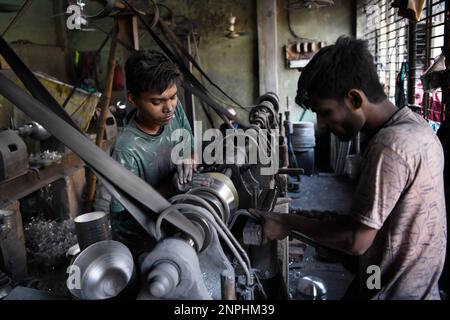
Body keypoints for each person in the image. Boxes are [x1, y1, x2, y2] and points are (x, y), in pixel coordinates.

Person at [251, 36, 447, 300]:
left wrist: (287, 222)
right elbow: (383, 226)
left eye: (325, 112)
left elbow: (357, 240)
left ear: (355, 98)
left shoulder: (390, 146)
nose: (321, 124)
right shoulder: (416, 128)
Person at [106, 50, 197, 256]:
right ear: (133, 99)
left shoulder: (174, 110)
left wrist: (189, 158)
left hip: (173, 217)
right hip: (142, 238)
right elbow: (128, 211)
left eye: (173, 97)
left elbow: (188, 142)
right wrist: (171, 186)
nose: (168, 108)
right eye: (157, 102)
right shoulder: (126, 150)